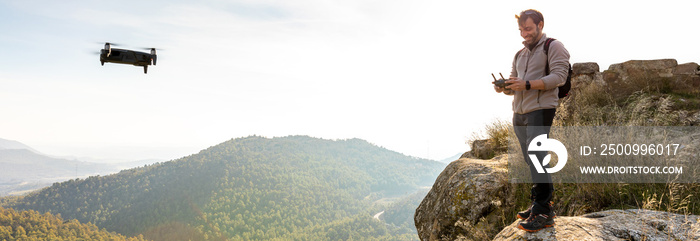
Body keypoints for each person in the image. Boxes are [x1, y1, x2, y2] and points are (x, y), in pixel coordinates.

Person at [494, 9, 570, 232]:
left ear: (540, 25)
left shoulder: (554, 46)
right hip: (519, 111)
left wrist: (526, 84)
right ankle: (541, 202)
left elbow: (559, 77)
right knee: (530, 158)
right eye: (521, 30)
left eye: (528, 29)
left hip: (541, 108)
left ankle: (544, 211)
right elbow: (515, 86)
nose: (524, 34)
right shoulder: (519, 54)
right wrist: (505, 87)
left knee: (537, 156)